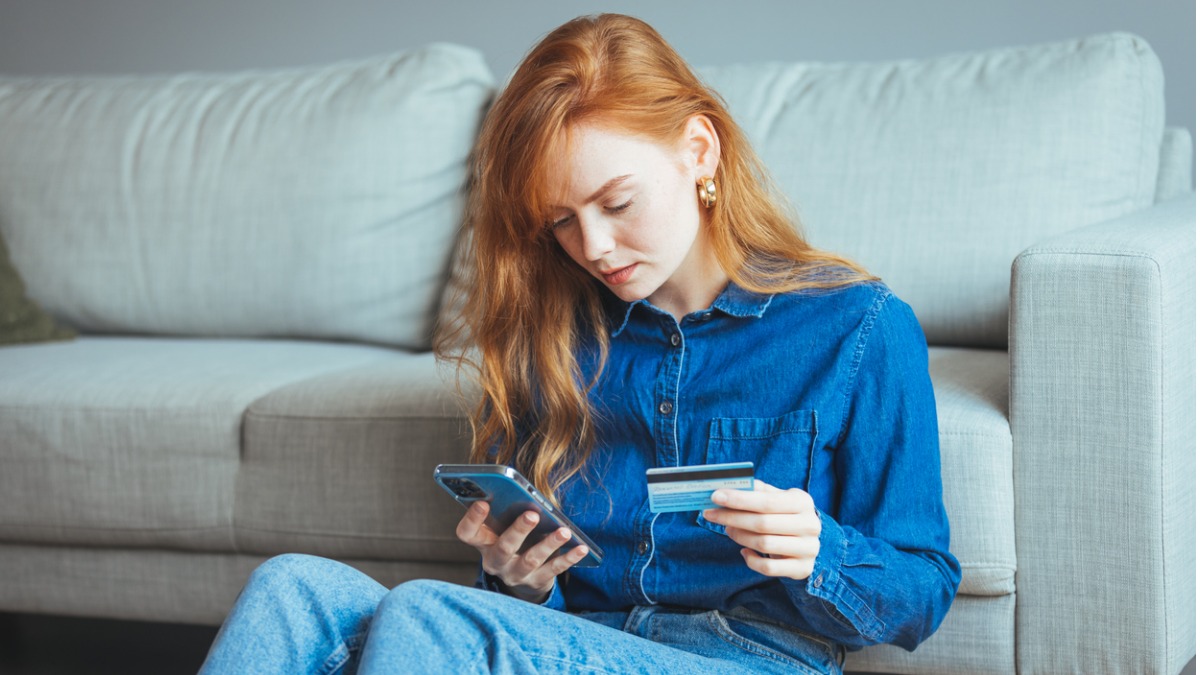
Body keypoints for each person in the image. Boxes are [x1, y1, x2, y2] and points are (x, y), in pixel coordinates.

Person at [199, 13, 960, 674]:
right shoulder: (557, 339)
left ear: (699, 150)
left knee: (430, 614)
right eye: (560, 220)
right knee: (290, 588)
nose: (592, 245)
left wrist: (819, 550)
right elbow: (532, 607)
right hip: (576, 639)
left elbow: (922, 588)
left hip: (747, 655)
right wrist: (518, 578)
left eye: (616, 201)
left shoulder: (856, 325)